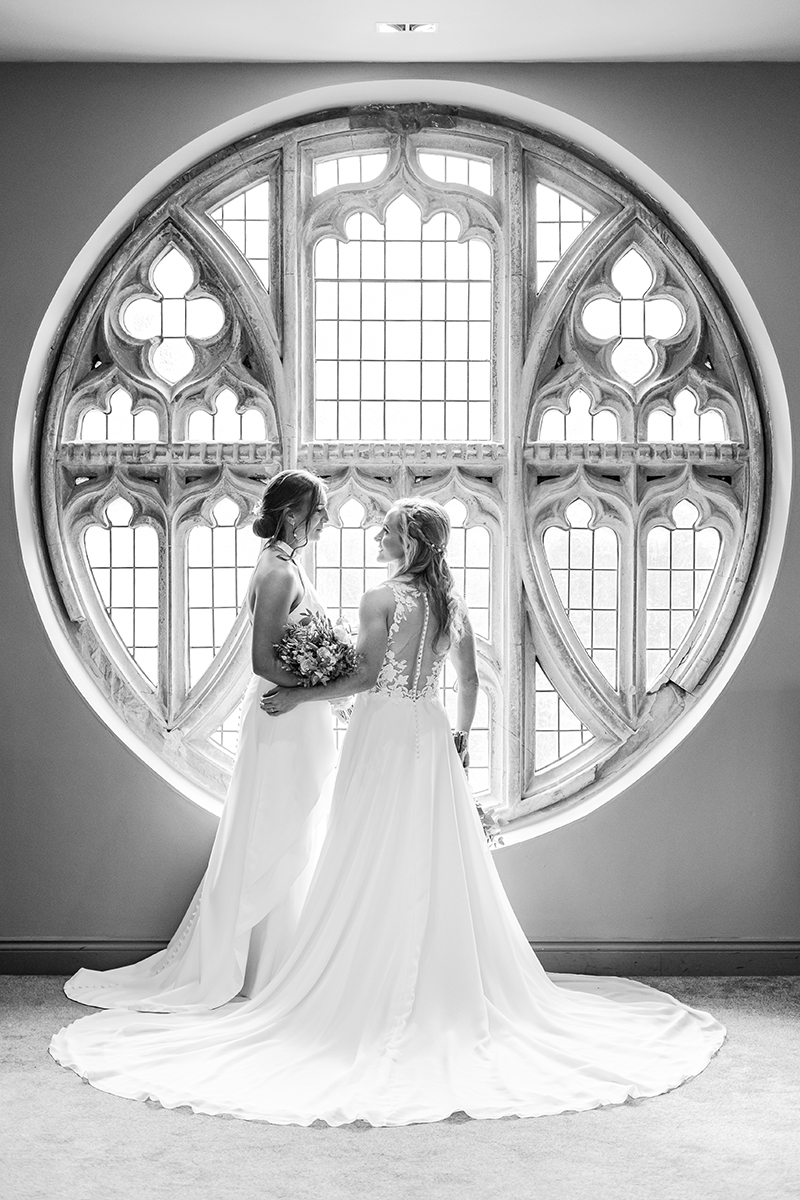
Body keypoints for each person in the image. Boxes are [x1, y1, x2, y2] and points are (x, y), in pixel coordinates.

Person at [50, 499, 724, 1125]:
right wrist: (457, 737)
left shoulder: (381, 597)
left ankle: (364, 983)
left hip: (380, 733)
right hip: (428, 736)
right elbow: (468, 683)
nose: (375, 533)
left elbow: (368, 677)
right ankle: (434, 978)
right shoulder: (450, 604)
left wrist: (301, 697)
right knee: (431, 854)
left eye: (386, 527)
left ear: (408, 540)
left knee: (364, 848)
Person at [60, 469, 336, 1013]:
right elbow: (263, 660)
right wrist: (318, 683)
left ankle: (277, 959)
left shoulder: (285, 565)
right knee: (278, 832)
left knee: (291, 830)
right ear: (291, 515)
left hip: (293, 714)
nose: (324, 521)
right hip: (284, 716)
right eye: (318, 512)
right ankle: (263, 965)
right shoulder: (278, 574)